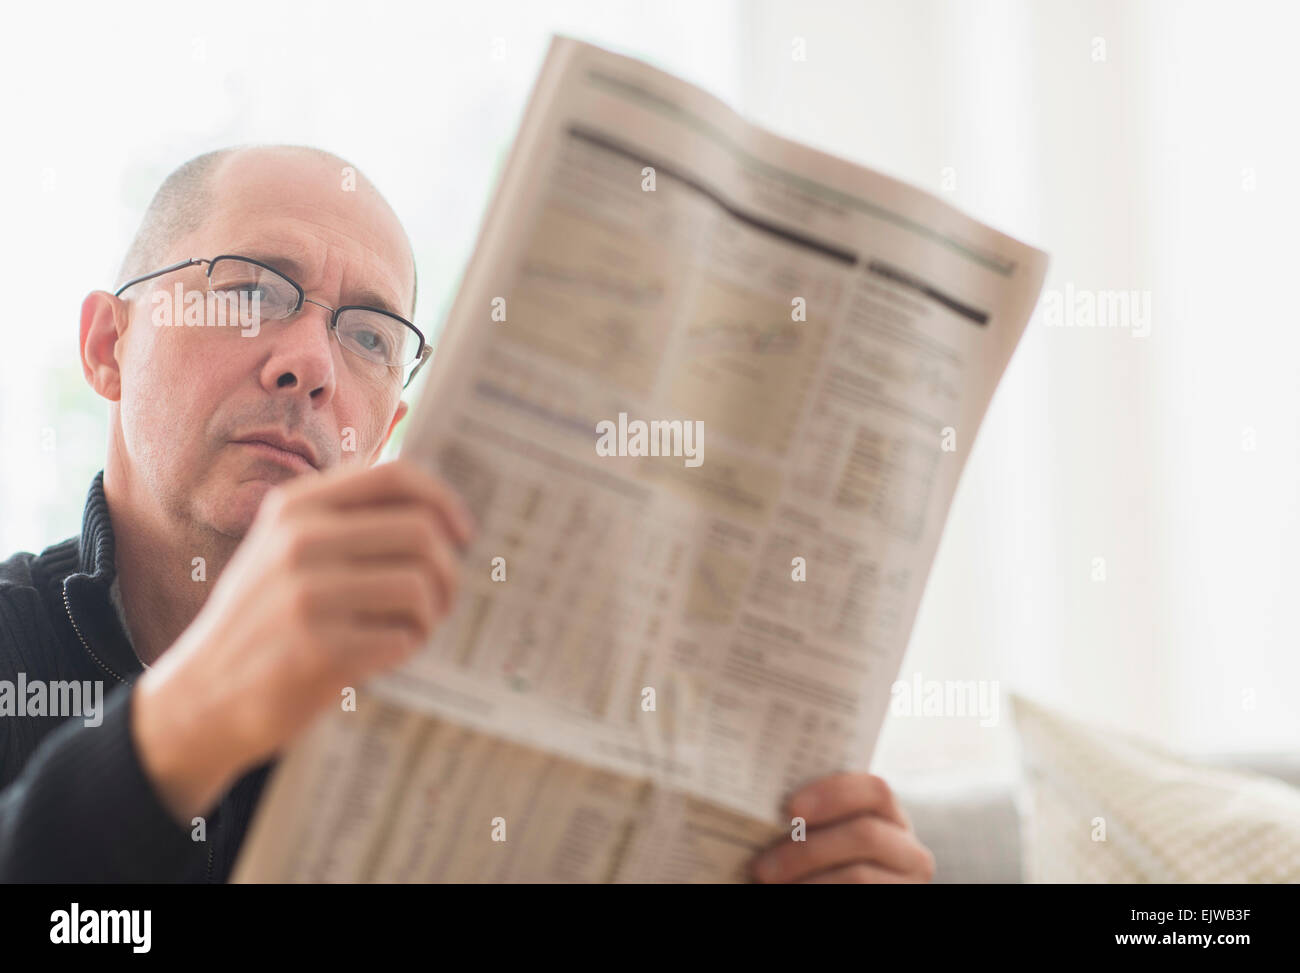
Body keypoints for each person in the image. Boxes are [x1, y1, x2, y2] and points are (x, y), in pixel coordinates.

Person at [0, 145, 935, 884]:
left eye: (368, 334)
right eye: (250, 289)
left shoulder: (456, 706)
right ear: (107, 346)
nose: (313, 365)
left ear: (392, 425)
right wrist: (193, 721)